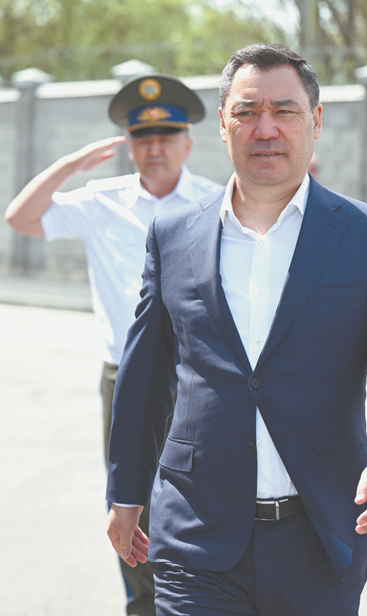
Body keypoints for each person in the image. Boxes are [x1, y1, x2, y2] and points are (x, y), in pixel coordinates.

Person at [106, 44, 367, 616]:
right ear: (223, 124)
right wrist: (125, 492)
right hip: (197, 537)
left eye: (284, 110)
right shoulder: (172, 237)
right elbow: (144, 376)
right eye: (246, 112)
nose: (265, 128)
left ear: (315, 121)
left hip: (322, 536)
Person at [5, 74, 222, 616]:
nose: (155, 149)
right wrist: (70, 165)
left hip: (195, 372)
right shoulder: (102, 200)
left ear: (187, 144)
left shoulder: (215, 201)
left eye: (166, 137)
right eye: (143, 139)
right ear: (129, 146)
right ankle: (144, 605)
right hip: (124, 374)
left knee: (202, 489)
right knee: (130, 498)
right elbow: (20, 217)